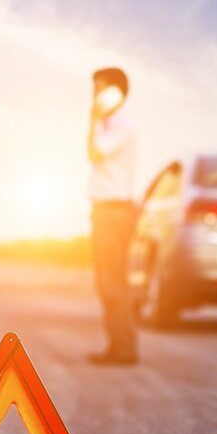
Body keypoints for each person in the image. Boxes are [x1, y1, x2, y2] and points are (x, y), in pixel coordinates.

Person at [86, 66, 138, 365]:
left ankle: (125, 348)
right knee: (106, 283)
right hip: (105, 211)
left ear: (115, 92)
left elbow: (93, 154)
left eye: (99, 87)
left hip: (114, 213)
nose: (93, 93)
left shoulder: (122, 126)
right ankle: (117, 345)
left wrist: (92, 118)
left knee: (113, 282)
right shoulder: (107, 126)